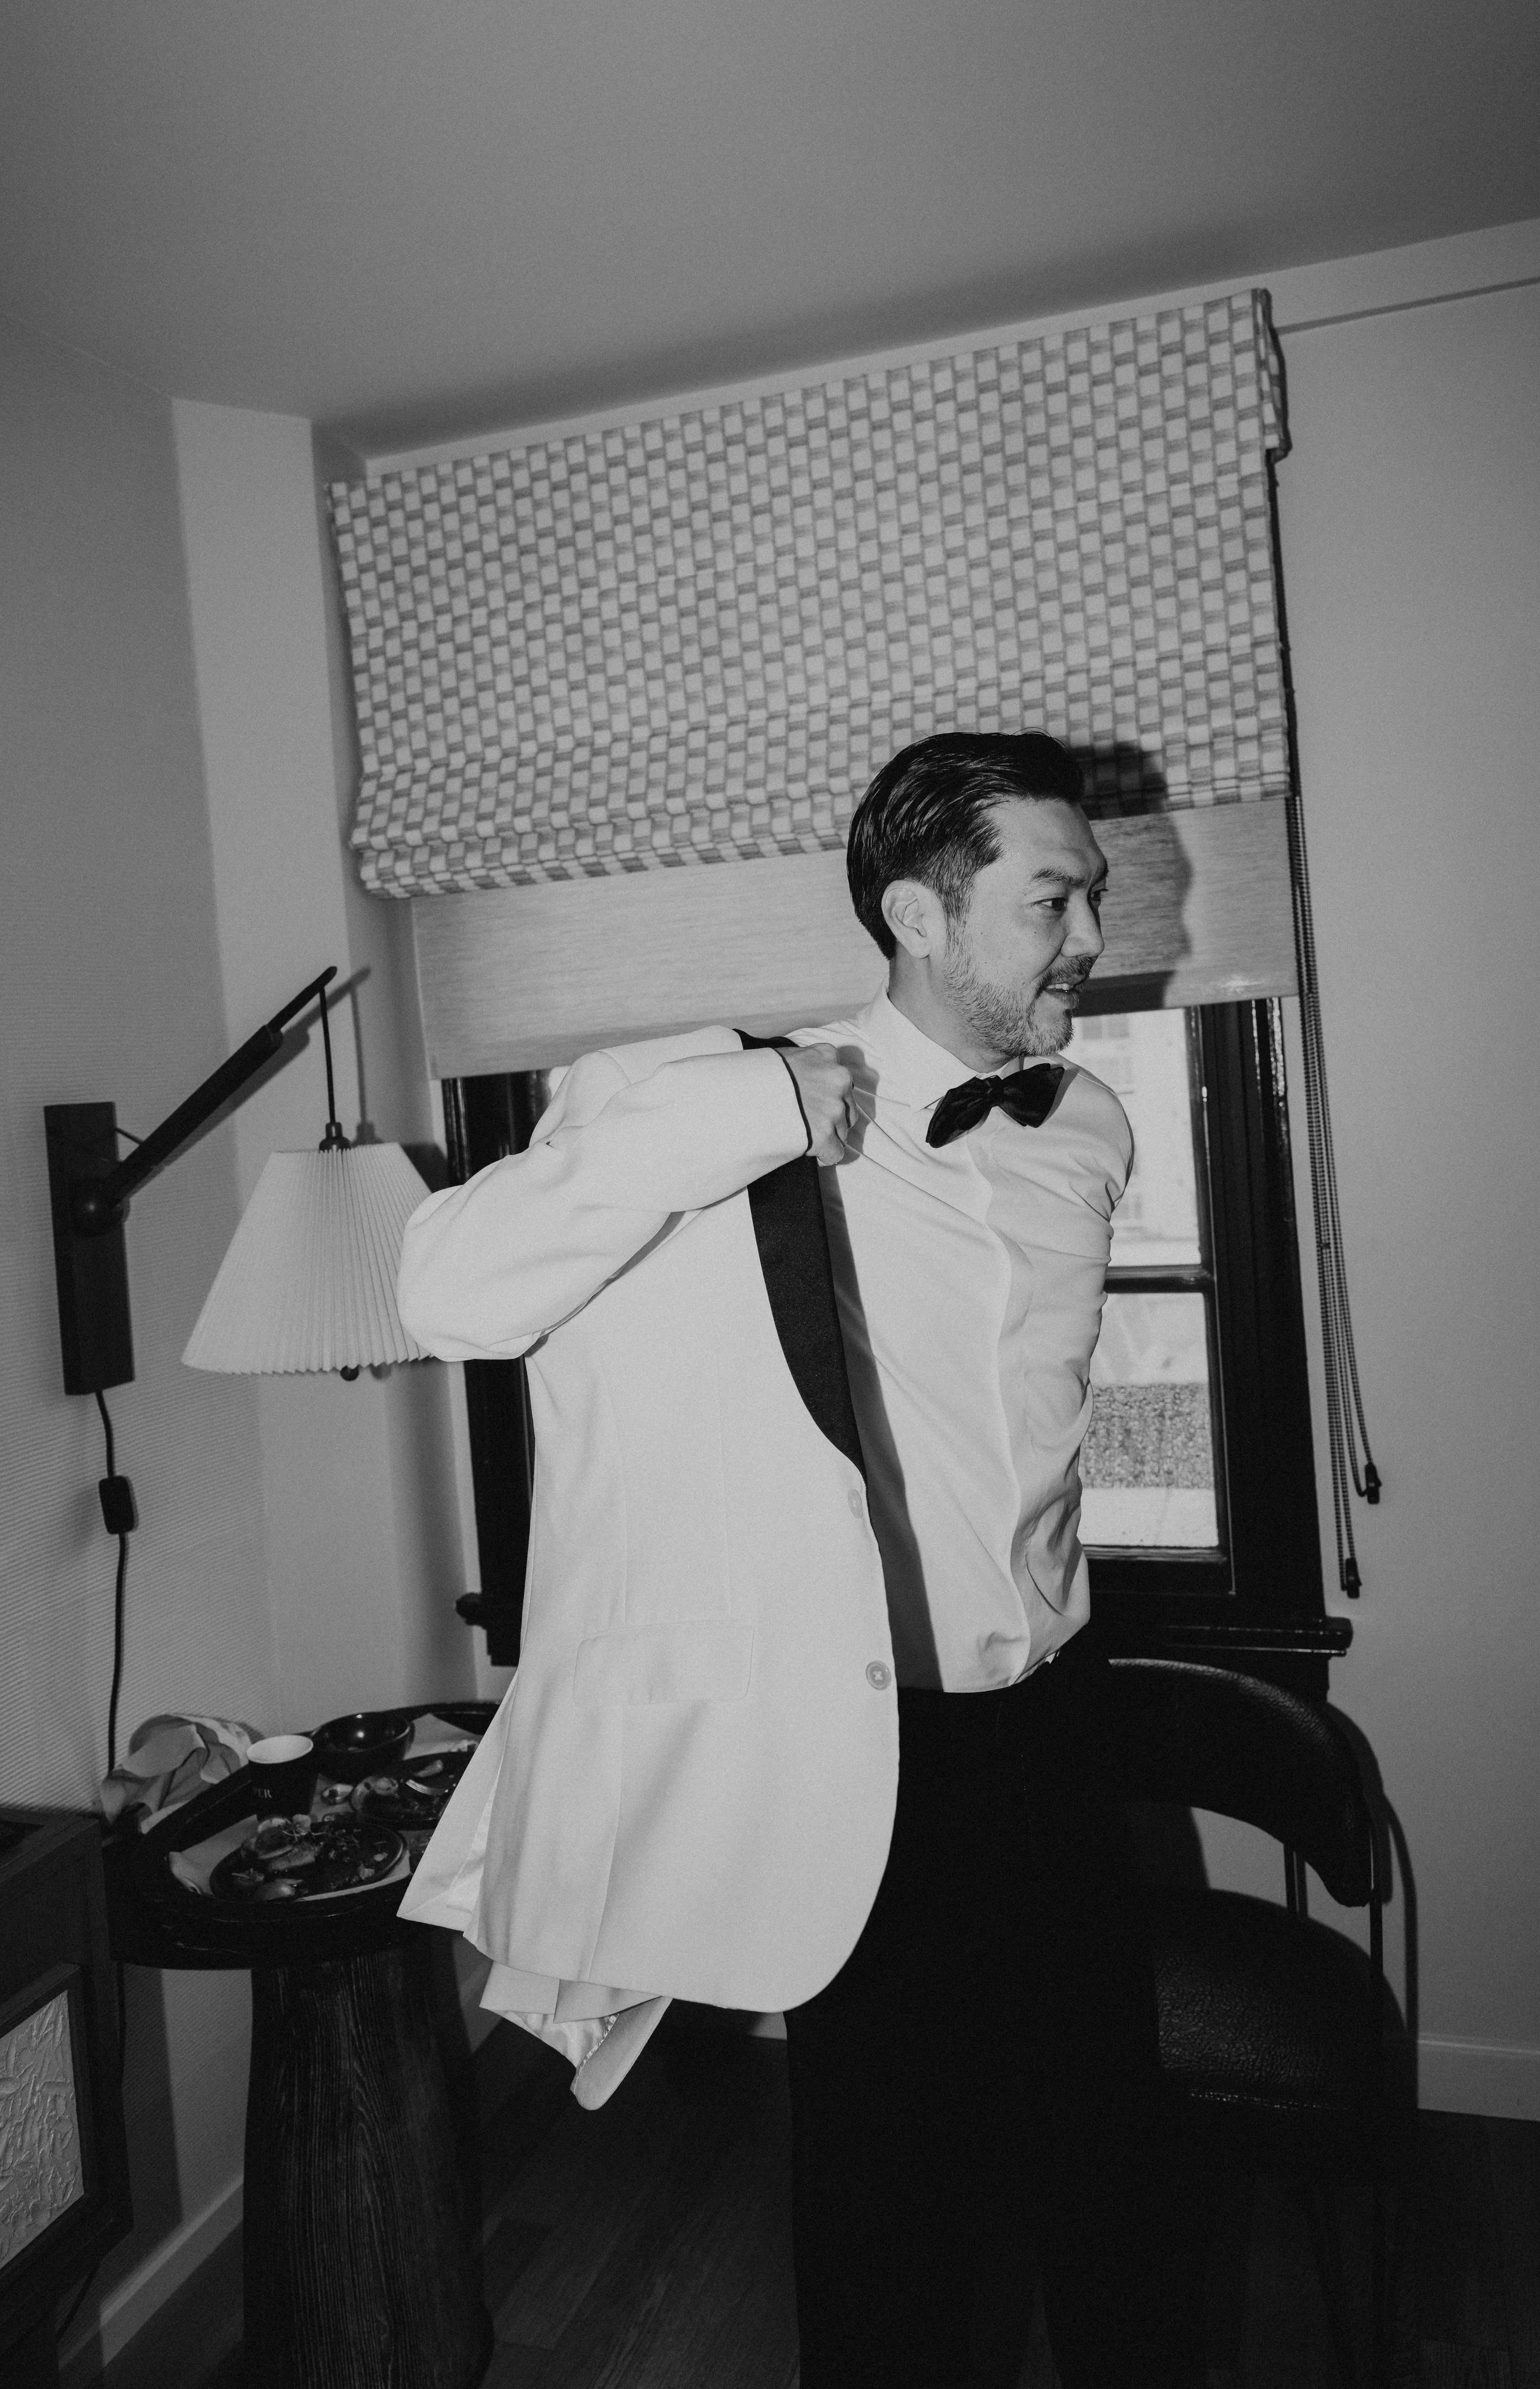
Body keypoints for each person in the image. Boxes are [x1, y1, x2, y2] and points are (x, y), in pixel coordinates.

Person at [398, 731, 1201, 2386]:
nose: (1088, 935)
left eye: (1094, 896)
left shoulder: (1091, 1124)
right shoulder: (712, 1110)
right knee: (883, 2183)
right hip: (867, 1748)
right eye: (1051, 897)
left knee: (1110, 2152)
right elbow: (454, 1290)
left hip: (1060, 1711)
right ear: (919, 911)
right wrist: (754, 1107)